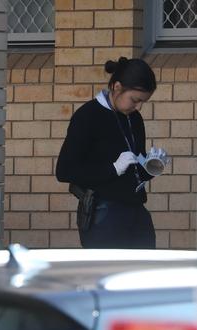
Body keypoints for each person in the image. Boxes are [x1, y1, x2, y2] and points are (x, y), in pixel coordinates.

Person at [56, 57, 168, 249]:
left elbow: (134, 170)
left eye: (143, 102)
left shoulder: (134, 118)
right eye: (135, 100)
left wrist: (151, 168)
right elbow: (65, 171)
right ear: (117, 87)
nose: (138, 107)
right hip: (103, 212)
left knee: (145, 270)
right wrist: (113, 169)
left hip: (135, 210)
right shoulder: (88, 116)